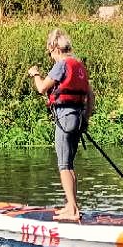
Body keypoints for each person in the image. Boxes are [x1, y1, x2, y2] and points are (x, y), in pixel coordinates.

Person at [27, 28, 94, 222]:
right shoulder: (78, 65)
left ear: (55, 48)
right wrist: (86, 119)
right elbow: (90, 95)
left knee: (64, 165)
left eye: (50, 53)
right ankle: (71, 205)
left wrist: (35, 74)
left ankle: (72, 210)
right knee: (70, 164)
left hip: (65, 119)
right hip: (78, 118)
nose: (51, 57)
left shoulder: (61, 65)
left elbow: (41, 88)